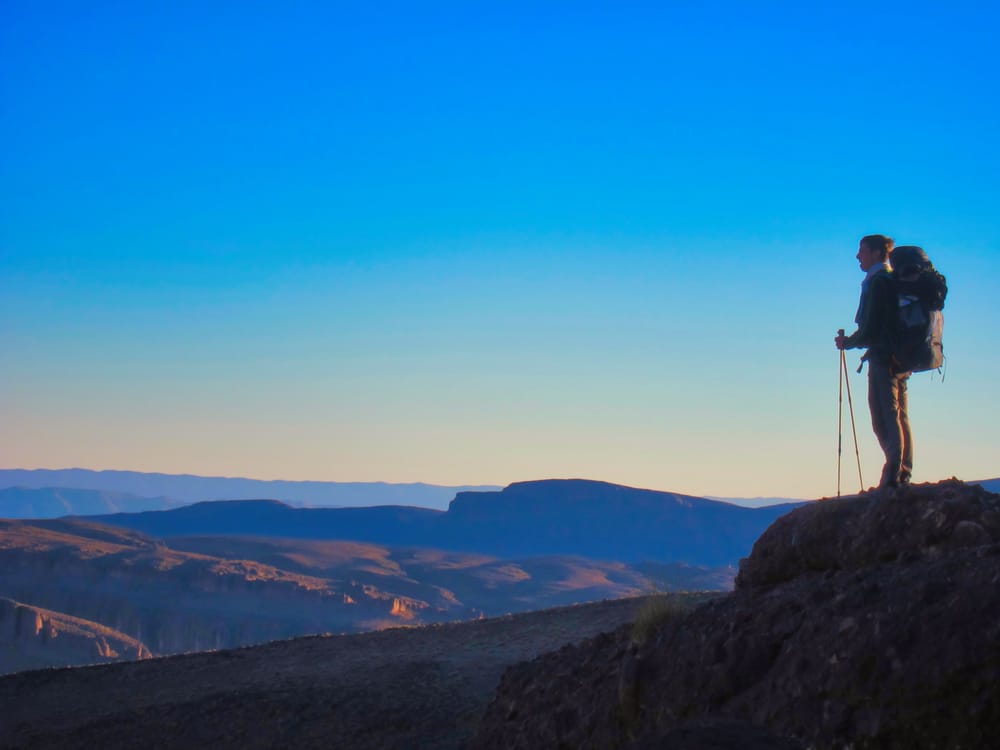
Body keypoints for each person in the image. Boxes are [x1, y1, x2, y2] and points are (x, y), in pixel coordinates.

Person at [835, 234, 912, 489]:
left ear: (877, 253)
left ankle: (893, 475)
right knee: (899, 415)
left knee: (884, 416)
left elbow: (871, 326)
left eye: (862, 251)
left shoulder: (878, 282)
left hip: (883, 357)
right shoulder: (888, 280)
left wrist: (849, 342)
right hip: (899, 358)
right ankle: (902, 472)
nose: (858, 256)